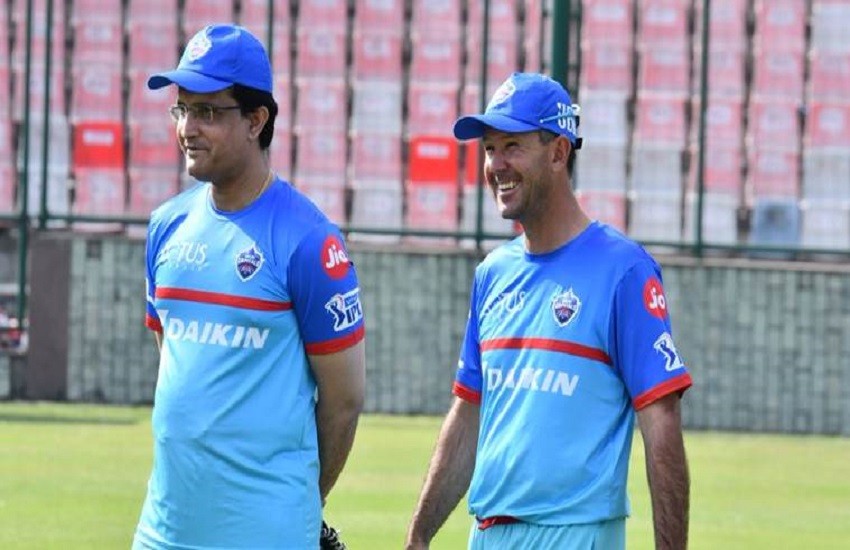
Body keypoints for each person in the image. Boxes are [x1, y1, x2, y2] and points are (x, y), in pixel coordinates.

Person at [405, 72, 692, 549]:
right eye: (490, 149)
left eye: (512, 146)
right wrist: (418, 536)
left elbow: (661, 423)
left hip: (575, 536)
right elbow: (469, 412)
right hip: (487, 536)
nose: (496, 164)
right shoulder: (492, 274)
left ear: (559, 152)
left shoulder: (624, 271)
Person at [133, 24, 365, 549]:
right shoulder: (165, 226)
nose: (188, 128)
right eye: (182, 109)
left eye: (207, 112)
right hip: (163, 533)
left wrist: (299, 505)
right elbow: (173, 358)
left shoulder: (310, 240)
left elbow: (344, 401)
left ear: (256, 121)